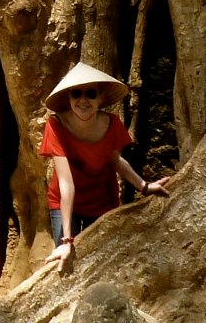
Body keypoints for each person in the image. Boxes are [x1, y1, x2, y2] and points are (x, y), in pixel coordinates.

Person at [41, 60, 165, 260]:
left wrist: (144, 186)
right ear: (68, 98)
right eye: (76, 93)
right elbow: (66, 182)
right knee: (64, 260)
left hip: (102, 202)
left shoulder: (112, 124)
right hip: (65, 203)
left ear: (100, 99)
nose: (83, 100)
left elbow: (115, 161)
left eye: (90, 93)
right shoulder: (56, 125)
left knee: (97, 259)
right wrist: (66, 240)